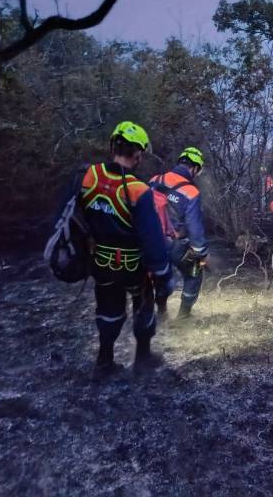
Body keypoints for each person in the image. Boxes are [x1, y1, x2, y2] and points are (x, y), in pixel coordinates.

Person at [78, 121, 171, 375]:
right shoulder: (139, 190)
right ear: (138, 154)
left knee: (108, 309)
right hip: (134, 267)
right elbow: (152, 239)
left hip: (100, 262)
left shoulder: (88, 176)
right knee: (143, 306)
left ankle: (104, 360)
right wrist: (162, 274)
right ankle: (142, 358)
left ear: (112, 146)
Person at [149, 146, 209, 320]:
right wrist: (201, 252)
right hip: (174, 244)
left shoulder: (155, 179)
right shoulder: (191, 191)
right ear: (194, 167)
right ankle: (183, 317)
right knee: (194, 273)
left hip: (150, 242)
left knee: (161, 276)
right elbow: (194, 226)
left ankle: (161, 312)